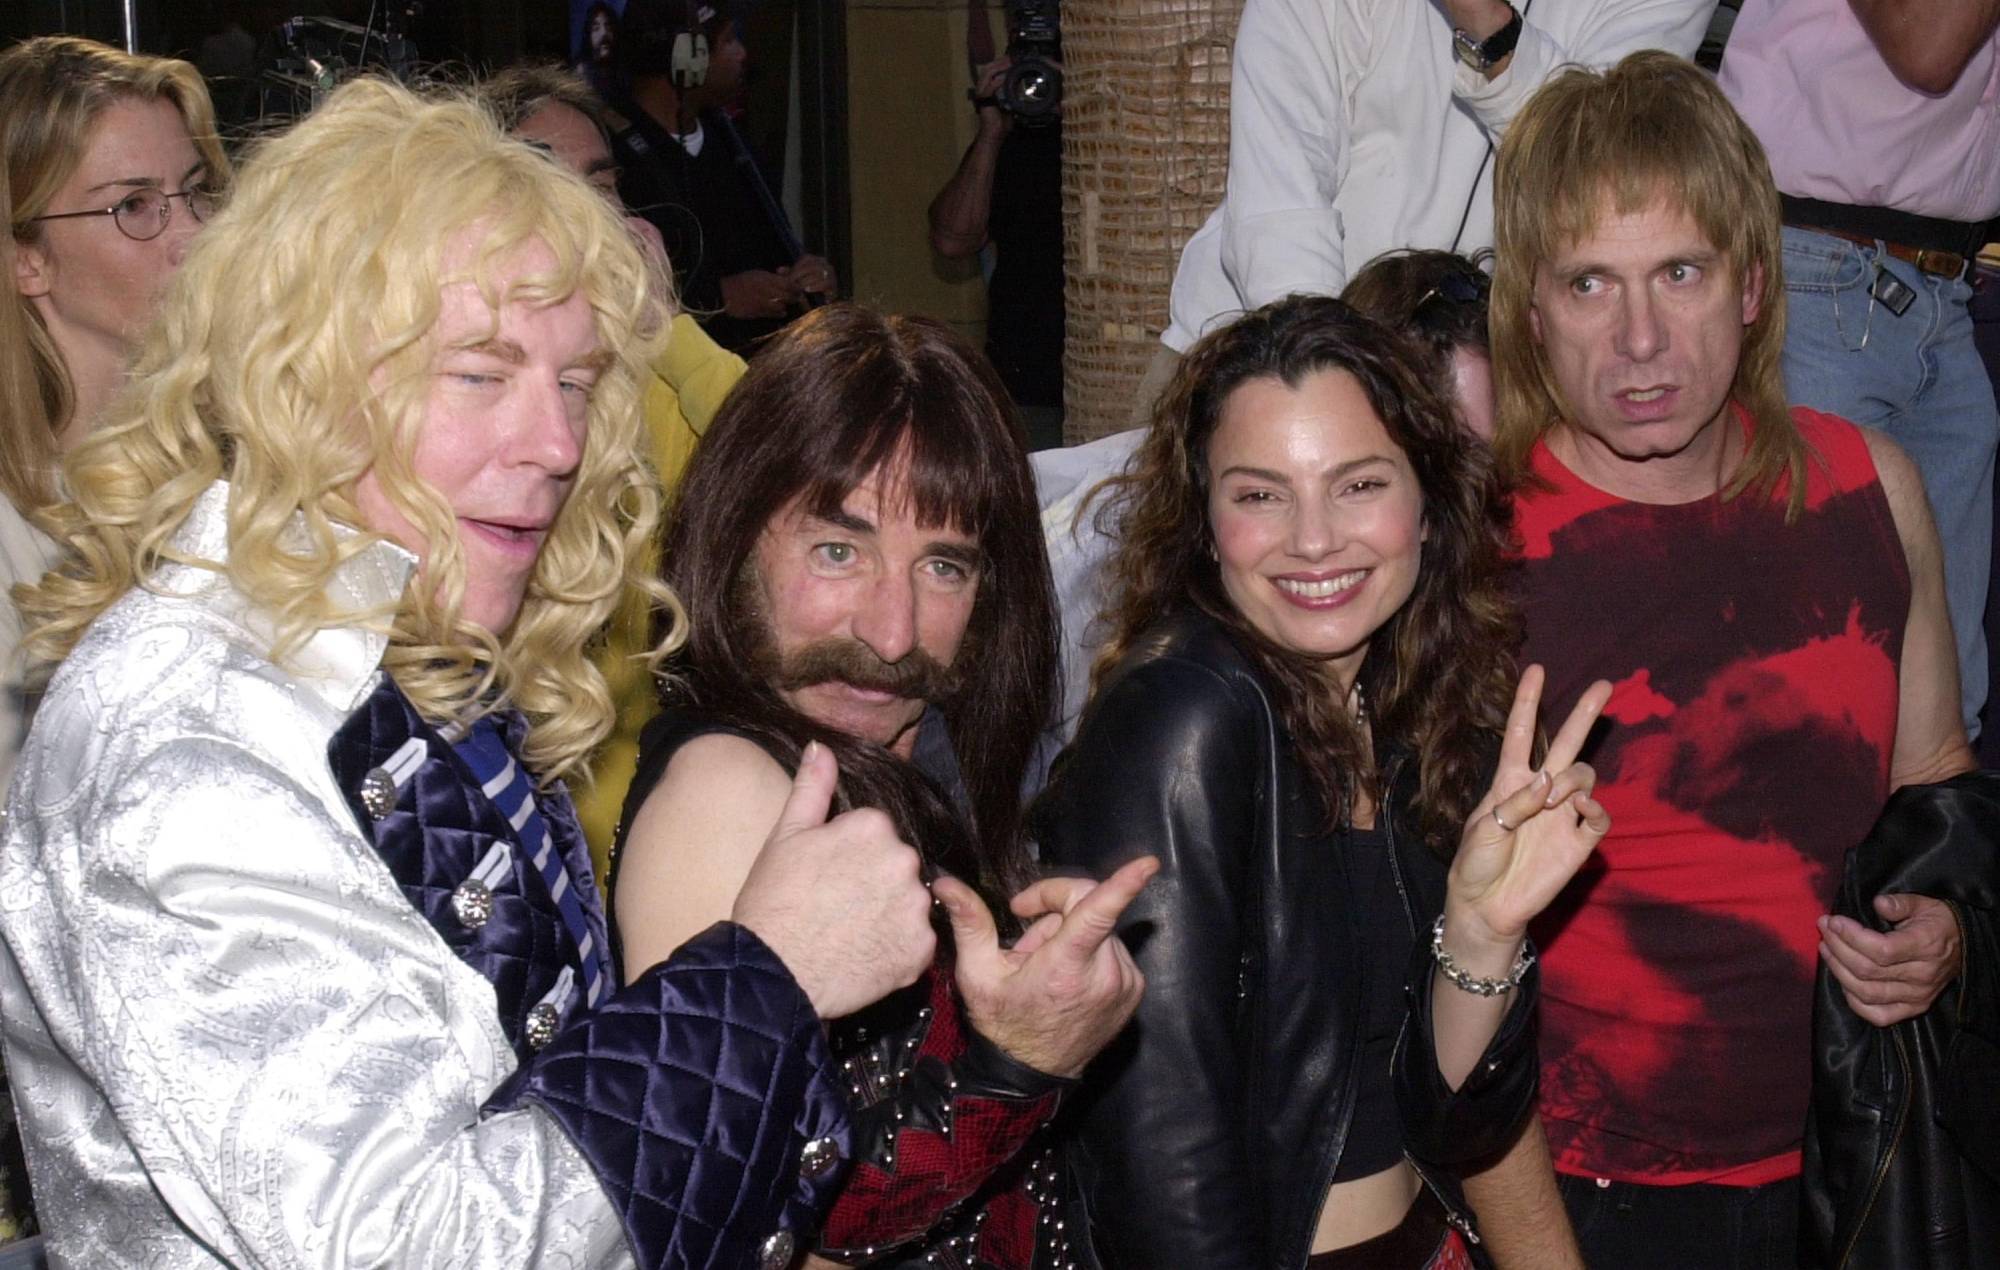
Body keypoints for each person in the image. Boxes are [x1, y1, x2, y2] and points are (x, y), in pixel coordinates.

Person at [0, 79, 941, 1268]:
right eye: (480, 375)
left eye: (576, 382)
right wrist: (762, 982)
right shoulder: (190, 745)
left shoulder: (383, 641)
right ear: (306, 376)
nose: (554, 446)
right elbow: (409, 1244)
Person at [1486, 51, 1978, 1267]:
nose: (1639, 338)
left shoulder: (1871, 488)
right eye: (1589, 282)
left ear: (1754, 285)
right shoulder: (1472, 547)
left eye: (1680, 273)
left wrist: (1947, 928)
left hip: (1846, 1162)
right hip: (1572, 1188)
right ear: (1530, 307)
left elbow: (1935, 779)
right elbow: (1416, 959)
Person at [1035, 294, 1612, 1268]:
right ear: (1203, 520)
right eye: (1259, 493)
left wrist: (1477, 933)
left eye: (1356, 485)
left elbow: (1451, 1117)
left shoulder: (1411, 702)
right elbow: (1157, 1165)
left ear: (1427, 503)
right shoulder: (1179, 719)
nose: (1312, 539)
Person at [612, 303, 1152, 1267]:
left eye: (943, 566)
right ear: (734, 541)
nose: (892, 631)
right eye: (838, 550)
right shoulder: (730, 791)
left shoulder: (918, 758)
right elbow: (734, 1233)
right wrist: (1011, 1068)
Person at [1136, 0, 1712, 418]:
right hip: (1260, 351)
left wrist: (1486, 22)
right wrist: (1337, 384)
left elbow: (1598, 183)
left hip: (1501, 388)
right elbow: (1280, 204)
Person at [477, 61, 749, 866]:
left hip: (649, 830)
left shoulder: (652, 374)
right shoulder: (448, 396)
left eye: (602, 184)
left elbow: (780, 464)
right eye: (545, 181)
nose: (586, 215)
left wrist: (668, 327)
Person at [1717, 2, 2000, 741]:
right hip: (1816, 270)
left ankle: (1930, 859)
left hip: (1942, 286)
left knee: (1943, 706)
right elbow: (1929, 48)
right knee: (1811, 686)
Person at [0, 35, 230, 791]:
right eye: (135, 205)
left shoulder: (233, 458)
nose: (192, 233)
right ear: (26, 258)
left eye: (196, 191)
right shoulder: (13, 527)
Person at [607, 0, 837, 353]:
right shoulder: (608, 152)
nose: (742, 54)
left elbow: (773, 250)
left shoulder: (731, 141)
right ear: (687, 57)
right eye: (730, 40)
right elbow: (611, 289)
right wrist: (717, 298)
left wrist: (807, 274)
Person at [928, 53, 1065, 450]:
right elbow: (953, 239)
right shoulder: (1009, 140)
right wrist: (990, 130)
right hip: (1026, 387)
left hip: (1109, 369)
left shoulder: (1110, 144)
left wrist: (1085, 109)